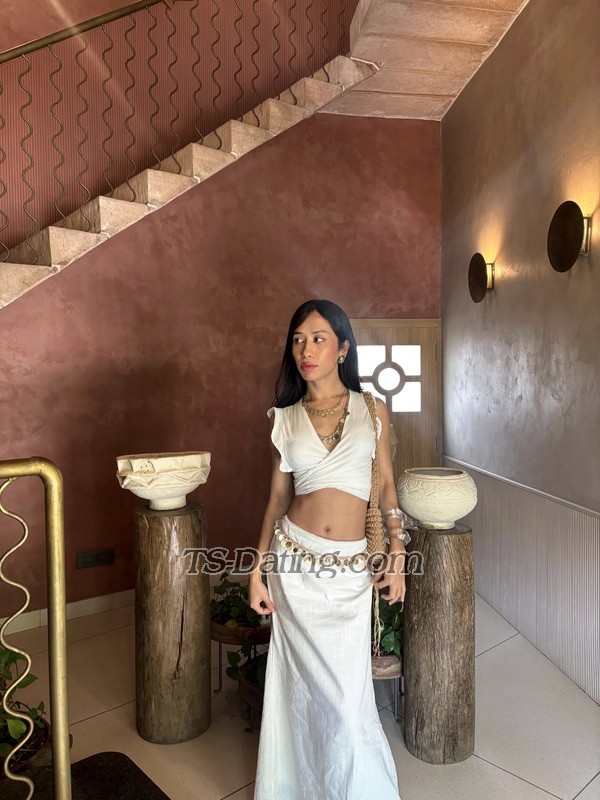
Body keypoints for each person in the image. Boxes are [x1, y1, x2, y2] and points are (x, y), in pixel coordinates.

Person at [249, 299, 408, 800]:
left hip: (349, 573)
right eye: (298, 339)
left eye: (318, 338)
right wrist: (256, 571)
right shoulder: (283, 419)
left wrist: (398, 551)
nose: (306, 349)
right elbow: (277, 500)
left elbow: (386, 487)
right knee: (300, 690)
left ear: (342, 348)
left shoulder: (371, 410)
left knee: (345, 699)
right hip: (293, 565)